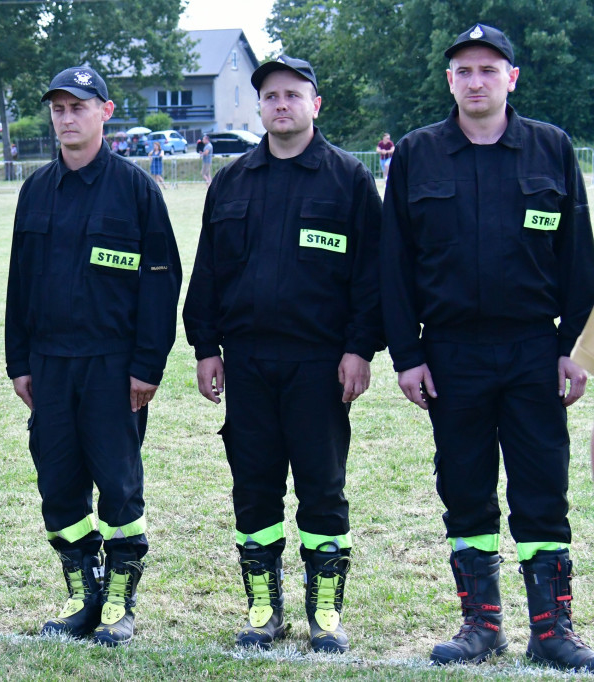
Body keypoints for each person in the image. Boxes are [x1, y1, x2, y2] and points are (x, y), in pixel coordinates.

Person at [381, 23, 594, 670]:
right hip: (450, 354)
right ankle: (482, 624)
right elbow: (394, 264)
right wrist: (407, 355)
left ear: (511, 79)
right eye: (464, 71)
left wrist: (571, 347)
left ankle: (551, 628)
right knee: (466, 488)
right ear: (451, 81)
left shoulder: (550, 148)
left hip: (533, 349)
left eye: (488, 70)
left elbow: (578, 257)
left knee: (541, 488)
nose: (476, 81)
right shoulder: (419, 153)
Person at [184, 55, 383, 654]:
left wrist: (359, 349)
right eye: (270, 96)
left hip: (319, 363)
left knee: (323, 486)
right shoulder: (233, 180)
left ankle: (325, 611)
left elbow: (371, 276)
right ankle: (262, 607)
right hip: (247, 361)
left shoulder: (348, 179)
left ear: (315, 104)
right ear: (261, 106)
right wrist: (205, 346)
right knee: (254, 486)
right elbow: (209, 272)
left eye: (293, 95)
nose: (281, 105)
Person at [4, 66, 181, 647]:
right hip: (50, 364)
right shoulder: (35, 190)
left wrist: (146, 366)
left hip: (113, 366)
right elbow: (19, 283)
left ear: (104, 112)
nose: (66, 117)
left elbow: (161, 282)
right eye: (57, 108)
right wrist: (19, 362)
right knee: (57, 485)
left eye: (78, 107)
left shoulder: (135, 190)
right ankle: (84, 595)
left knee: (119, 488)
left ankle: (120, 605)